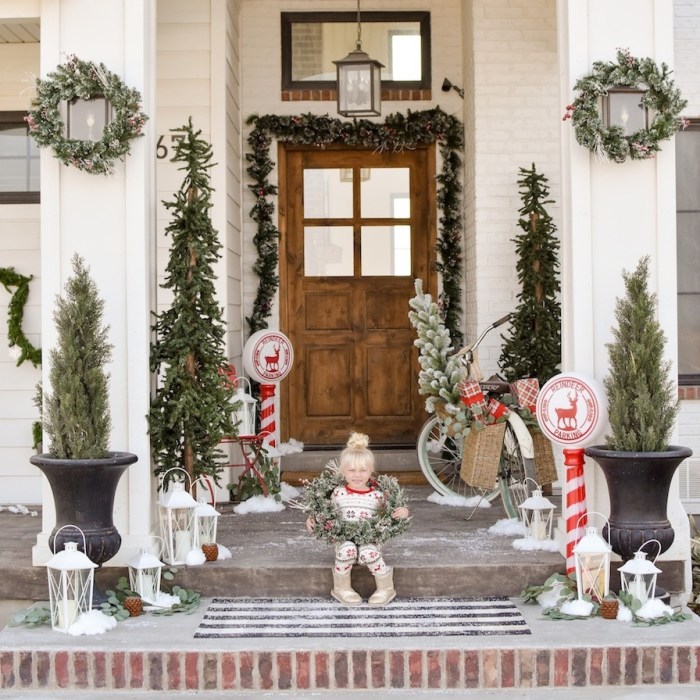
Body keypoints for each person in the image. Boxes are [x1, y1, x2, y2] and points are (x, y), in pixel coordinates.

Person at [306, 432, 410, 606]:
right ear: (343, 471)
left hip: (370, 539)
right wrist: (313, 521)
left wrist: (403, 511)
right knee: (347, 549)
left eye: (363, 470)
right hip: (344, 540)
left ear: (371, 471)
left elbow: (392, 513)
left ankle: (385, 588)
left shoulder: (378, 495)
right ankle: (342, 588)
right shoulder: (338, 493)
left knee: (369, 552)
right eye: (352, 470)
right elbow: (324, 513)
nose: (357, 475)